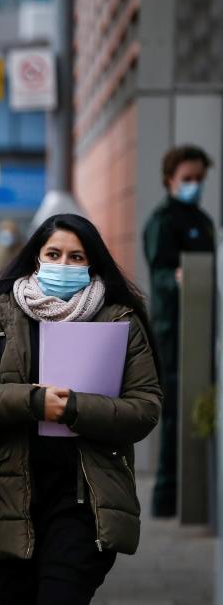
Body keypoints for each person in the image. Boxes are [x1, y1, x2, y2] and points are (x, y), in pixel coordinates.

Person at [0, 213, 162, 605]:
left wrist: (73, 408)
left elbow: (145, 407)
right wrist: (33, 402)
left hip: (85, 497)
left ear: (92, 263)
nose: (63, 265)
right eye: (54, 254)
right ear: (36, 258)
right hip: (8, 494)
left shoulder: (120, 318)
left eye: (76, 257)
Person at [143, 144, 215, 517]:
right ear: (170, 178)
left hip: (202, 327)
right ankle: (167, 497)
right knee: (173, 414)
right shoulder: (163, 221)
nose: (194, 185)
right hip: (174, 330)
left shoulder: (201, 220)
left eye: (200, 179)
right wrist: (178, 280)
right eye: (188, 179)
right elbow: (160, 275)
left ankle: (193, 490)